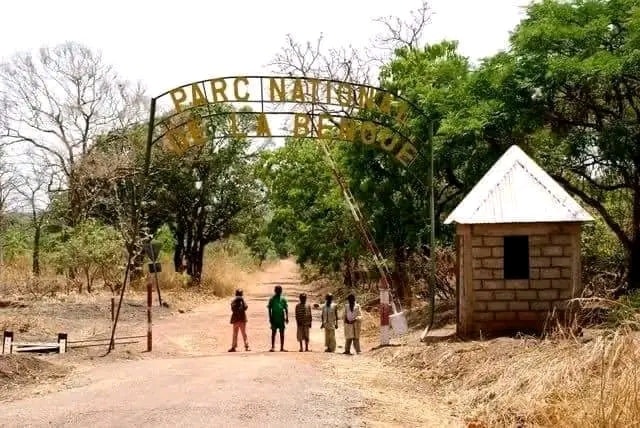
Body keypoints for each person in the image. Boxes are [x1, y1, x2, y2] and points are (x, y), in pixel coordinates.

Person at [267, 285, 289, 352]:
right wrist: (270, 318)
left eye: (280, 291)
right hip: (274, 318)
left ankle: (282, 347)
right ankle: (273, 347)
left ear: (281, 291)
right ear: (275, 291)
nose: (279, 292)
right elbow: (269, 309)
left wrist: (287, 317)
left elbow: (286, 308)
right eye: (277, 291)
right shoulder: (272, 299)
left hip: (281, 318)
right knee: (273, 333)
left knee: (282, 333)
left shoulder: (283, 299)